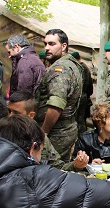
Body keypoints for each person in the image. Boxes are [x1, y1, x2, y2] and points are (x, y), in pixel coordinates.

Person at [34, 29, 83, 161]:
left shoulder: (60, 70)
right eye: (45, 44)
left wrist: (43, 133)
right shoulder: (71, 65)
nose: (46, 48)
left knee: (50, 170)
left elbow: (56, 105)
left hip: (56, 132)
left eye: (51, 44)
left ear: (63, 46)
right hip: (64, 128)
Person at [9, 91, 89, 171]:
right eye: (9, 111)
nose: (10, 116)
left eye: (16, 113)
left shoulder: (38, 137)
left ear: (31, 115)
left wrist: (76, 165)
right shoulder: (0, 133)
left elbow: (57, 167)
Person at [71, 51, 94, 134]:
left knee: (78, 120)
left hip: (78, 98)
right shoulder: (86, 68)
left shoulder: (77, 68)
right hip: (84, 97)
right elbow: (90, 87)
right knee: (82, 120)